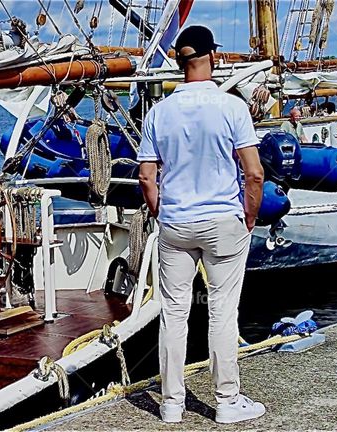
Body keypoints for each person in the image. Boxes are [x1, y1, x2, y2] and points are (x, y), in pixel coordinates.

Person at [137, 25, 266, 425]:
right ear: (213, 56)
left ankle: (171, 404)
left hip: (176, 223)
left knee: (173, 313)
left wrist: (161, 211)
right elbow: (254, 173)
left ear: (180, 62)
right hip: (223, 221)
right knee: (222, 312)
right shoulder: (231, 108)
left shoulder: (158, 113)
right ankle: (227, 401)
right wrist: (249, 215)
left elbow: (146, 176)